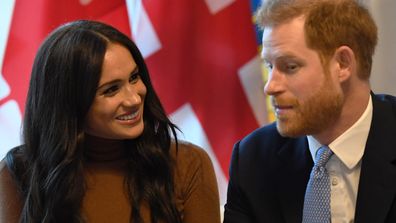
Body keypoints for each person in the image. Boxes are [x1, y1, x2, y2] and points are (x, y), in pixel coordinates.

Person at [0, 20, 220, 223]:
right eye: (111, 90)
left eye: (134, 77)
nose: (135, 98)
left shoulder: (187, 164)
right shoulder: (17, 174)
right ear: (69, 103)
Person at [223, 0, 396, 222]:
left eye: (290, 67)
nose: (270, 86)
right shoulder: (253, 159)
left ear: (343, 64)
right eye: (269, 66)